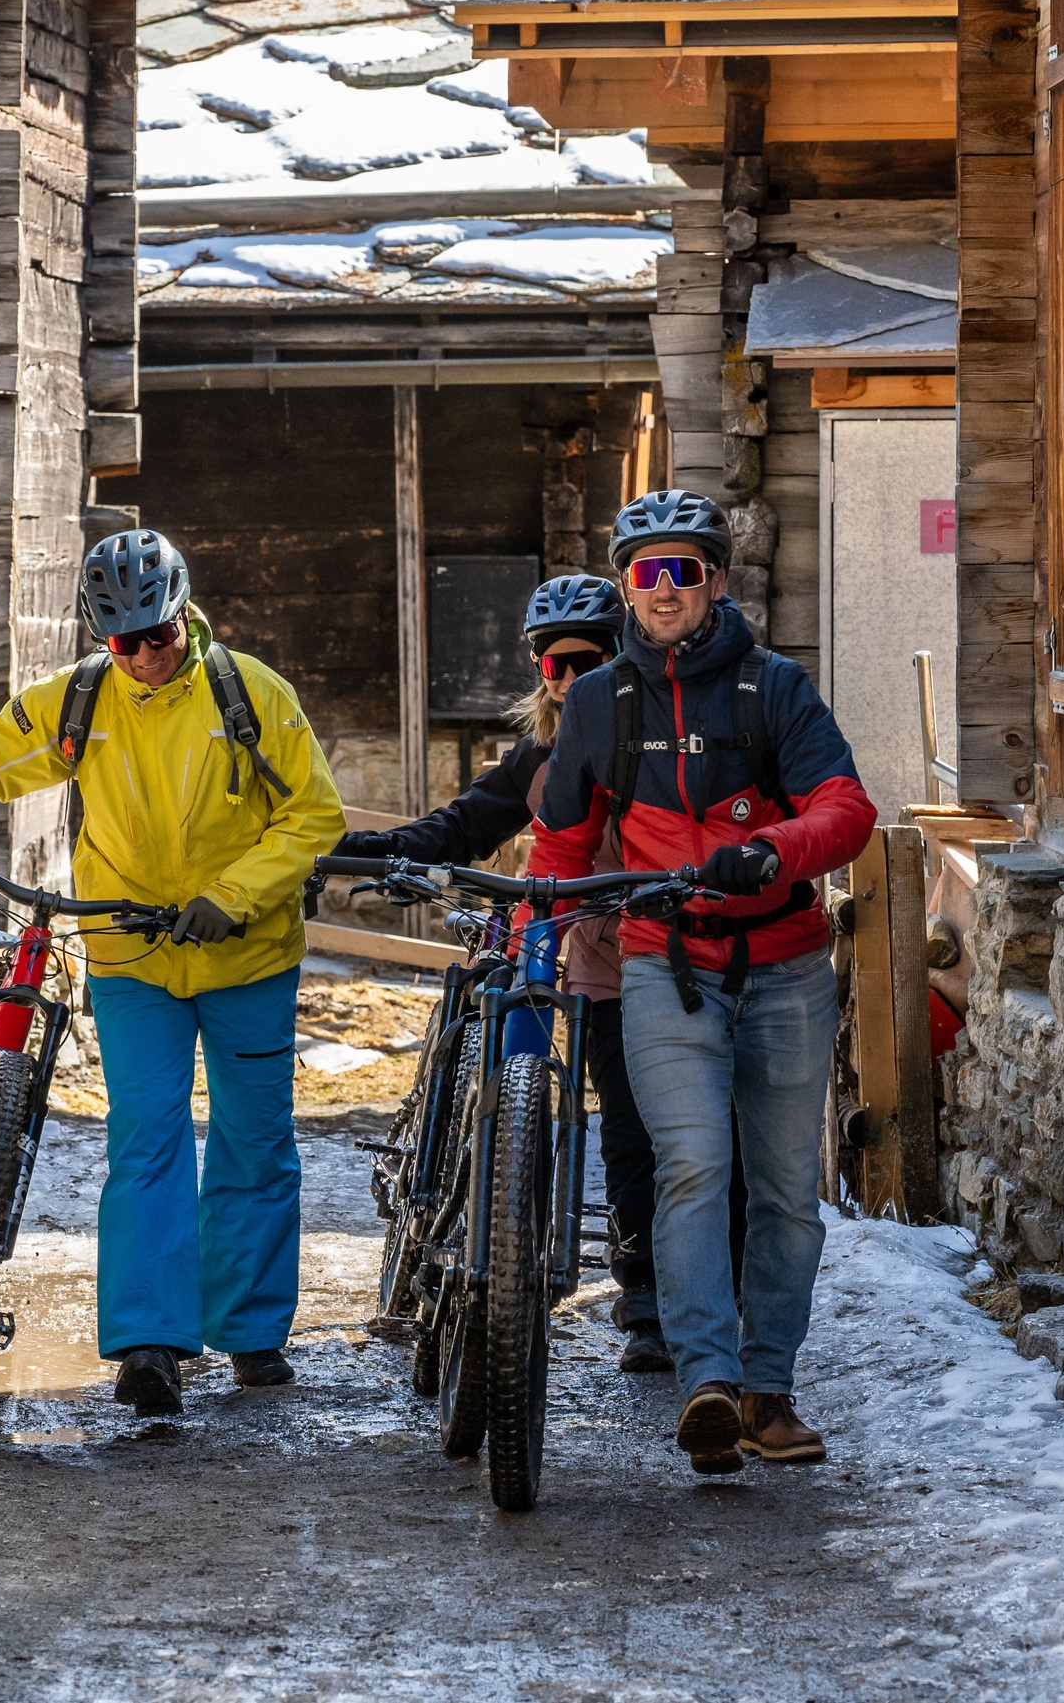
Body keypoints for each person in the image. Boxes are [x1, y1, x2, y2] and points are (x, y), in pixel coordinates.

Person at [0, 530, 344, 1418]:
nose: (148, 656)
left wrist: (232, 895)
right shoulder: (81, 702)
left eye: (159, 634)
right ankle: (149, 1343)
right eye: (125, 642)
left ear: (186, 613)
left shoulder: (252, 694)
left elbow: (314, 817)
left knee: (254, 1142)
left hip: (248, 955)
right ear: (98, 639)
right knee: (147, 1138)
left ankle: (249, 1330)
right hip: (133, 958)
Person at [527, 490, 878, 1473]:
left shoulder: (775, 690)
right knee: (691, 1167)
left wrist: (773, 849)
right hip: (661, 967)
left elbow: (846, 805)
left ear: (716, 580)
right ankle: (708, 1384)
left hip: (785, 965)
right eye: (647, 573)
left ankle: (770, 1391)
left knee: (786, 1192)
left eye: (685, 569)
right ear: (626, 589)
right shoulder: (596, 703)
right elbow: (556, 841)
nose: (665, 588)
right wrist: (532, 936)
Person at [331, 573, 742, 1375]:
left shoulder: (661, 732)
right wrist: (375, 850)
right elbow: (468, 823)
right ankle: (646, 1301)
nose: (566, 678)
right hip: (599, 965)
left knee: (688, 1131)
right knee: (625, 1131)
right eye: (550, 664)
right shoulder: (541, 754)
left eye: (584, 659)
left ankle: (708, 1291)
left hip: (680, 958)